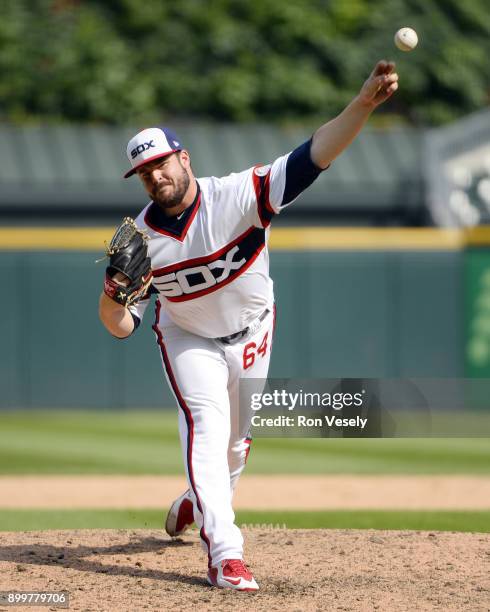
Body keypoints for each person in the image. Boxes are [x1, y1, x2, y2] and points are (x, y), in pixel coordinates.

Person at [99, 60, 399, 591]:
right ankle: (225, 554)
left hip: (254, 329)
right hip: (188, 338)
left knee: (237, 446)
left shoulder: (237, 196)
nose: (156, 176)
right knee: (208, 430)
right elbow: (121, 326)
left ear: (183, 157)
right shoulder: (141, 241)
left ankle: (198, 496)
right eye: (145, 172)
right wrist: (111, 294)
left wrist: (363, 105)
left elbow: (313, 157)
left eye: (163, 163)